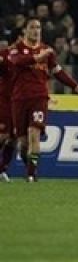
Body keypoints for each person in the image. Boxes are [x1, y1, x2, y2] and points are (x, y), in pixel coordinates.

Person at [8, 18, 78, 182]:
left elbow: (57, 71)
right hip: (19, 99)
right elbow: (18, 61)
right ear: (25, 30)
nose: (36, 31)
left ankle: (31, 175)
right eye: (32, 27)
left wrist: (75, 86)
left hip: (39, 97)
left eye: (38, 28)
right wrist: (38, 57)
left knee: (34, 133)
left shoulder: (46, 50)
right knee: (22, 143)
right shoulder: (17, 49)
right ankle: (30, 166)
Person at [0, 39, 16, 182]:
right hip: (4, 101)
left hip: (20, 102)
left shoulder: (31, 58)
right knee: (2, 136)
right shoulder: (5, 55)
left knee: (13, 138)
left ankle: (3, 169)